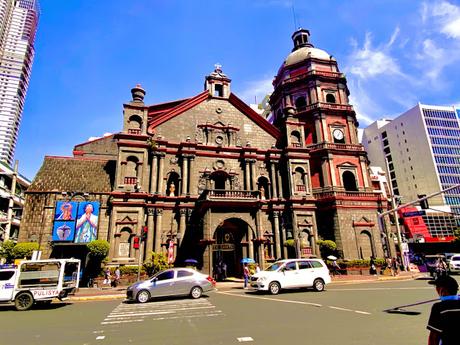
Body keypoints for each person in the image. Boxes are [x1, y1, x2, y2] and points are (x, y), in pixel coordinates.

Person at [426, 275, 460, 345]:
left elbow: (433, 337)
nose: (436, 289)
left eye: (437, 287)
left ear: (442, 290)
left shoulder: (438, 307)